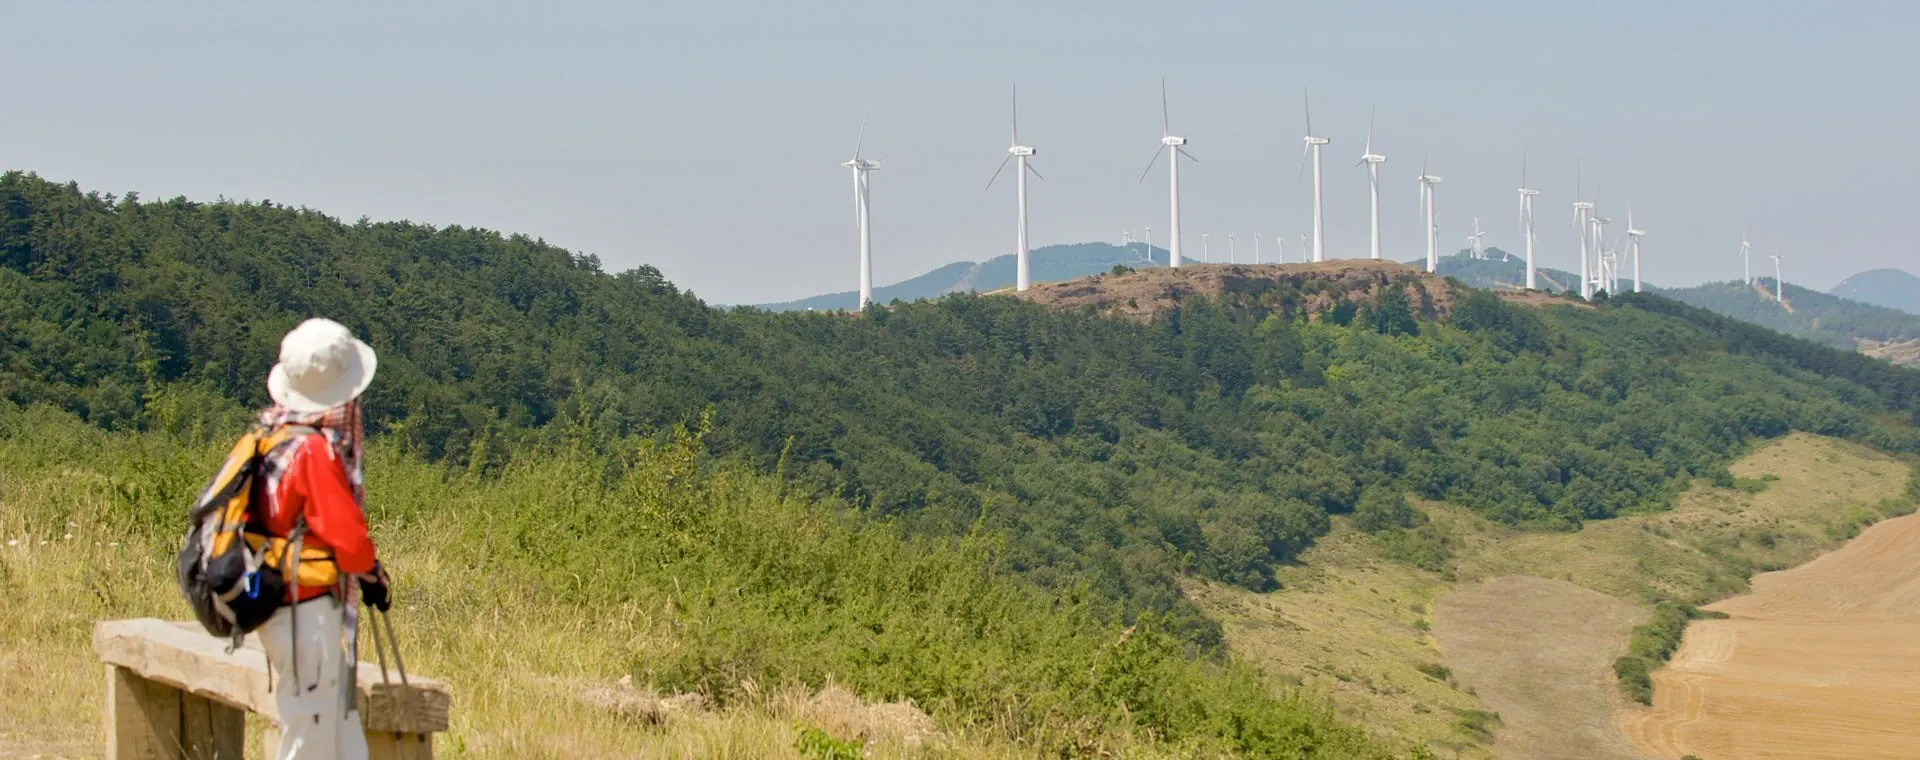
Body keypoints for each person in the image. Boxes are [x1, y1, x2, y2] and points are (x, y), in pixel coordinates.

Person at [256, 317, 390, 760]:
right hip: (308, 612)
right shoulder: (313, 451)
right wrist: (371, 572)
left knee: (339, 733)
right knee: (309, 736)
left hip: (281, 605)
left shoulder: (273, 437)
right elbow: (347, 539)